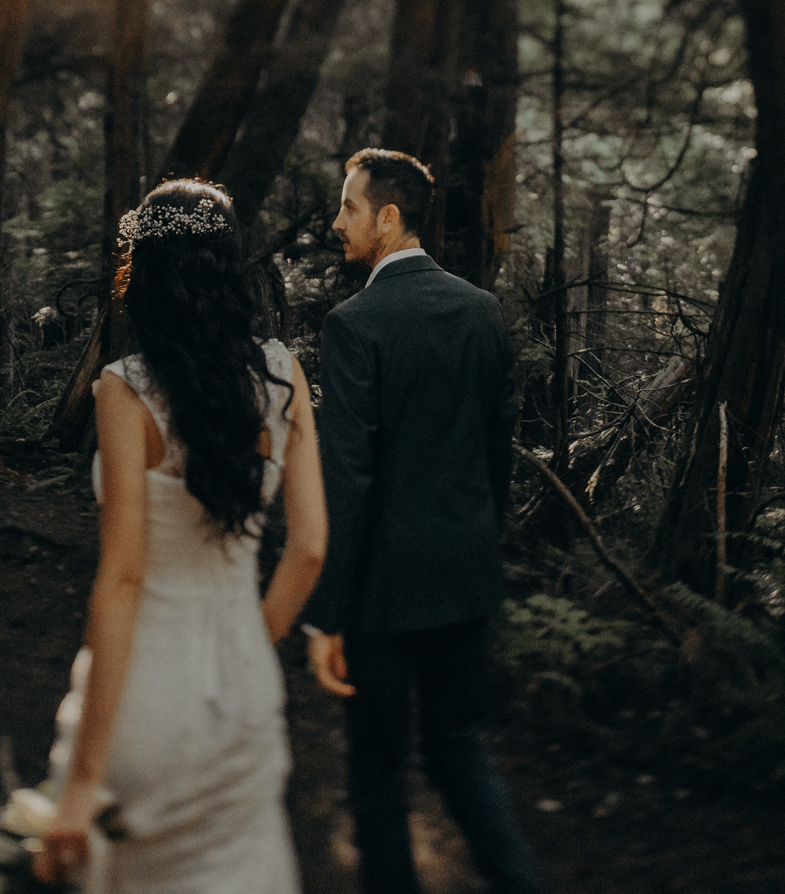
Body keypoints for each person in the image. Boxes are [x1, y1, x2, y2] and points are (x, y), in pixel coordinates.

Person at [36, 180, 327, 893]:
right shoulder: (284, 376)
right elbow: (311, 545)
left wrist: (81, 781)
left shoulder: (124, 388)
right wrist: (253, 640)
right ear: (228, 267)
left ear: (148, 273)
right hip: (244, 689)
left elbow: (125, 576)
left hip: (149, 690)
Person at [302, 150, 542, 894]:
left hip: (383, 588)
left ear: (389, 216)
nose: (337, 221)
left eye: (348, 207)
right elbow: (496, 452)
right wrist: (478, 539)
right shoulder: (482, 310)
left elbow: (348, 478)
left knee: (377, 766)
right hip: (465, 576)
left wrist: (328, 611)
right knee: (457, 745)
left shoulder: (354, 323)